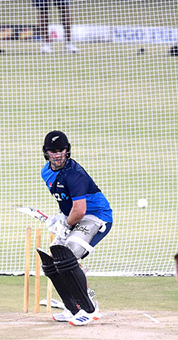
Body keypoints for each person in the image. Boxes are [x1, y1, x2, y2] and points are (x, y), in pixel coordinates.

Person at [36, 130, 112, 326]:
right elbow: (66, 202)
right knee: (54, 260)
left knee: (68, 255)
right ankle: (72, 308)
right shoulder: (46, 172)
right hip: (76, 216)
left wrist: (65, 224)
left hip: (96, 216)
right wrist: (61, 217)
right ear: (46, 153)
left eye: (61, 150)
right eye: (53, 151)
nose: (58, 154)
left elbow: (80, 209)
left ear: (67, 151)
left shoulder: (74, 174)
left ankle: (90, 309)